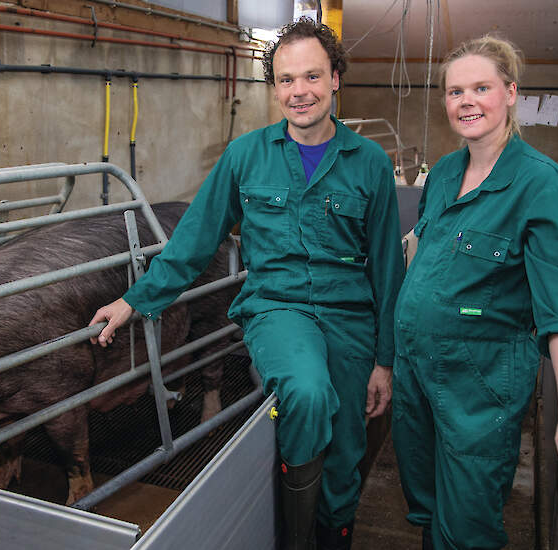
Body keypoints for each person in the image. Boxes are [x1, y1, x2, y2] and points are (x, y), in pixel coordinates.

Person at [88, 17, 404, 550]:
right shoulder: (246, 155)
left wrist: (384, 360)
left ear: (334, 80)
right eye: (285, 80)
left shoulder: (369, 162)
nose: (298, 92)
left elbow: (387, 270)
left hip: (352, 316)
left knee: (348, 452)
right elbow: (192, 240)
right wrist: (133, 301)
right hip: (278, 308)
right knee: (305, 392)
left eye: (311, 77)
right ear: (273, 87)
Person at [391, 35, 558, 550]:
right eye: (455, 91)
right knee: (426, 505)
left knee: (467, 524)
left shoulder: (544, 187)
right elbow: (426, 254)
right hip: (415, 373)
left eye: (481, 88)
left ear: (510, 92)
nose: (466, 101)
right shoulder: (443, 173)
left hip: (478, 385)